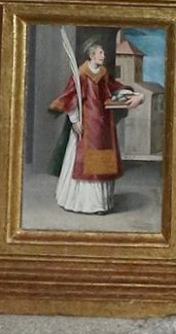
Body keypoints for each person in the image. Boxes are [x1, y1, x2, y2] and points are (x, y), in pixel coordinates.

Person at [50, 37, 145, 215]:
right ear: (92, 55)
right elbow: (71, 98)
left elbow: (114, 87)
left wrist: (131, 93)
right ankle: (85, 204)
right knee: (85, 161)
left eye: (103, 52)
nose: (103, 55)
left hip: (103, 125)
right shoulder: (81, 75)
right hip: (86, 124)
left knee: (103, 159)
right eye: (100, 53)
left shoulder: (103, 74)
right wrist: (75, 121)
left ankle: (102, 203)